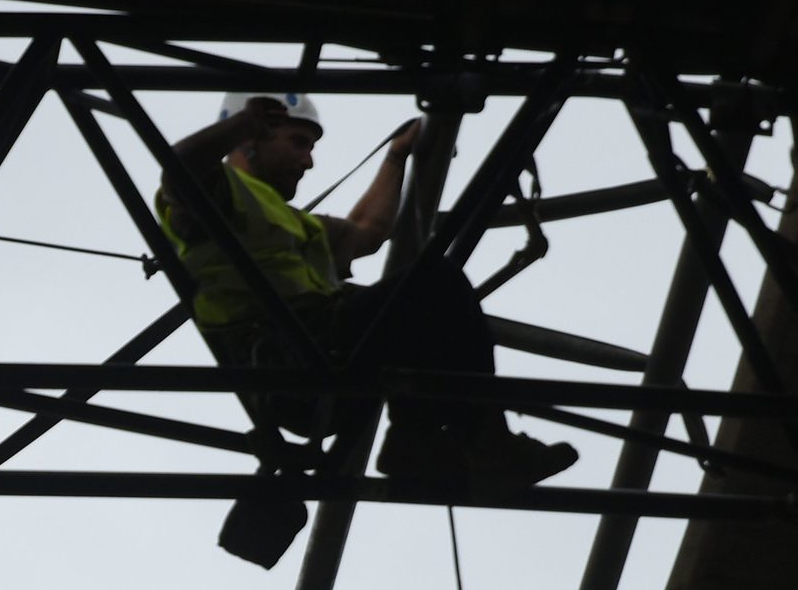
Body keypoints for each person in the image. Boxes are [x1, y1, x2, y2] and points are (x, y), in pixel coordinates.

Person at [158, 91, 576, 562]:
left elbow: (367, 231)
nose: (308, 161)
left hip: (325, 356)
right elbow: (179, 168)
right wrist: (241, 125)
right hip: (289, 358)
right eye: (298, 143)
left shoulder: (295, 223)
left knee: (428, 301)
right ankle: (476, 442)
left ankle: (417, 443)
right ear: (253, 138)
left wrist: (397, 157)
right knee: (434, 284)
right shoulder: (215, 198)